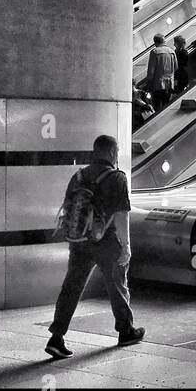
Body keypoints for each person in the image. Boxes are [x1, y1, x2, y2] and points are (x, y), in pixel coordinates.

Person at [46, 135, 142, 358]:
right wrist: (126, 246)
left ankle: (56, 337)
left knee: (71, 287)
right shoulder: (117, 178)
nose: (118, 156)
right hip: (106, 241)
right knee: (117, 285)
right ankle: (126, 331)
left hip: (79, 241)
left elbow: (71, 209)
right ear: (111, 153)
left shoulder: (78, 176)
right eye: (117, 152)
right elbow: (121, 215)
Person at [146, 34, 178, 113]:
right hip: (170, 84)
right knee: (166, 106)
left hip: (158, 84)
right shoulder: (172, 51)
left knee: (157, 107)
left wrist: (149, 84)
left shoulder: (155, 52)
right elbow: (176, 67)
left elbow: (151, 71)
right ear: (164, 41)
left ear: (155, 42)